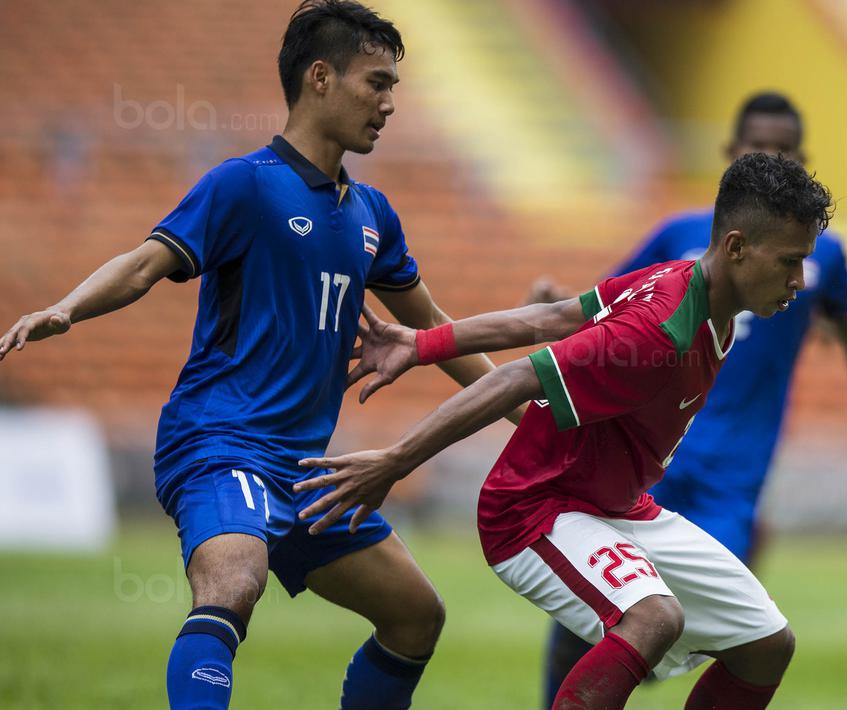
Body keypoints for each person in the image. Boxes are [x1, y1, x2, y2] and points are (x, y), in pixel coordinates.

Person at [0, 2, 508, 707]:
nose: (390, 103)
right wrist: (67, 307)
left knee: (415, 616)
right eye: (377, 83)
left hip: (305, 468)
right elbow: (146, 264)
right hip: (221, 441)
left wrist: (522, 404)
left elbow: (435, 329)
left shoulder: (373, 215)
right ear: (321, 78)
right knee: (235, 582)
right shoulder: (244, 184)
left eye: (394, 86)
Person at [295, 152, 833, 709]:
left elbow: (553, 317)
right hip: (535, 509)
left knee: (767, 642)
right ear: (738, 247)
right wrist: (394, 461)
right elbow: (515, 380)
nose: (799, 281)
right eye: (791, 262)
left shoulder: (683, 285)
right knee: (652, 618)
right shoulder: (655, 332)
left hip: (619, 507)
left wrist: (422, 343)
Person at [530, 92, 847, 703]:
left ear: (803, 159)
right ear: (732, 154)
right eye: (759, 145)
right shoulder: (677, 233)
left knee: (706, 635)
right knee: (594, 614)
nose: (772, 156)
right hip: (647, 459)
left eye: (784, 149)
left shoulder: (819, 258)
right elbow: (610, 308)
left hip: (735, 477)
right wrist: (557, 303)